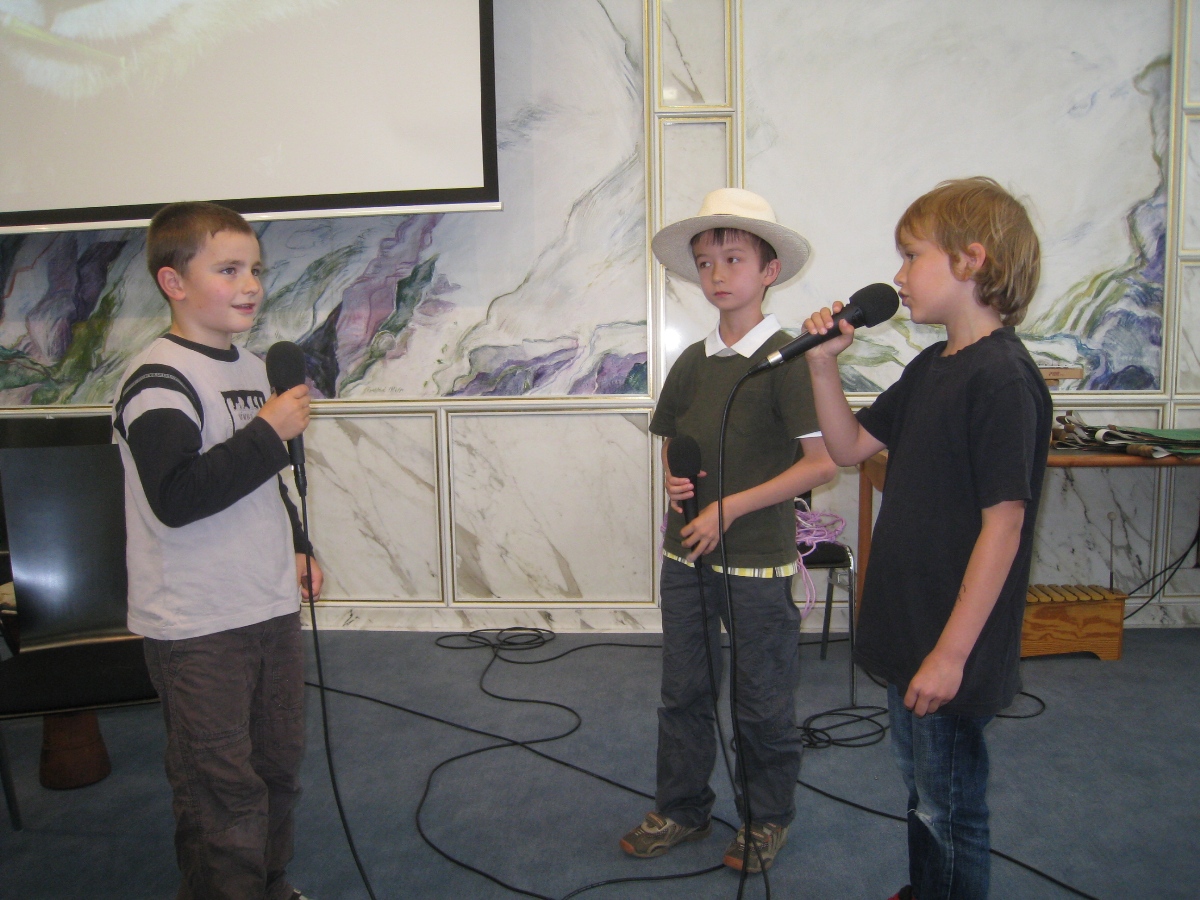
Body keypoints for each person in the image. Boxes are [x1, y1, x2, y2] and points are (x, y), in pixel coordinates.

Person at [801, 177, 1052, 900]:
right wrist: (822, 363)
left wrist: (949, 656)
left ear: (971, 260)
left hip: (951, 639)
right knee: (922, 788)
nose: (900, 275)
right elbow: (849, 447)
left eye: (912, 256)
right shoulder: (932, 365)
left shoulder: (1002, 379)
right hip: (911, 622)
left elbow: (1004, 527)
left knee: (949, 805)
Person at [620, 188, 837, 874]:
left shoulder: (790, 358)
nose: (717, 273)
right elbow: (672, 437)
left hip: (757, 561)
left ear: (769, 271)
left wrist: (731, 508)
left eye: (734, 259)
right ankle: (682, 807)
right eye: (707, 261)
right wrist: (674, 479)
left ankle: (766, 817)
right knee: (683, 690)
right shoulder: (691, 361)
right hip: (686, 555)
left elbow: (822, 463)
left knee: (761, 699)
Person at [113, 201, 322, 900]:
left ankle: (270, 884)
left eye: (255, 269)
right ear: (173, 282)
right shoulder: (158, 381)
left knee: (276, 769)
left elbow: (267, 481)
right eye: (228, 269)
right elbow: (176, 497)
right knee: (220, 791)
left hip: (267, 604)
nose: (251, 285)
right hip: (197, 624)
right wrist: (266, 432)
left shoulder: (255, 368)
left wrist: (299, 544)